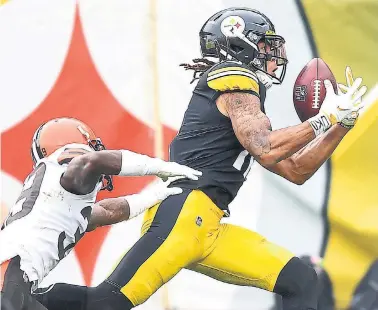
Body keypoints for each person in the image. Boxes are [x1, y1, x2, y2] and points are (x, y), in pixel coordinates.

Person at [35, 8, 367, 310]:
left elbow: (296, 170)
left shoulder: (242, 96)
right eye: (265, 46)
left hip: (207, 225)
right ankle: (18, 296)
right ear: (239, 45)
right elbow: (265, 147)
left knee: (302, 280)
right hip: (183, 214)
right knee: (106, 303)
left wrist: (341, 125)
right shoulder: (235, 77)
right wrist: (322, 119)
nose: (273, 56)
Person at [0, 117, 201, 310]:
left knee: (95, 303)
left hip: (16, 284)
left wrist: (154, 195)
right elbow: (90, 161)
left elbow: (107, 211)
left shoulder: (55, 199)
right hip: (9, 279)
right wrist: (159, 167)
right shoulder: (67, 164)